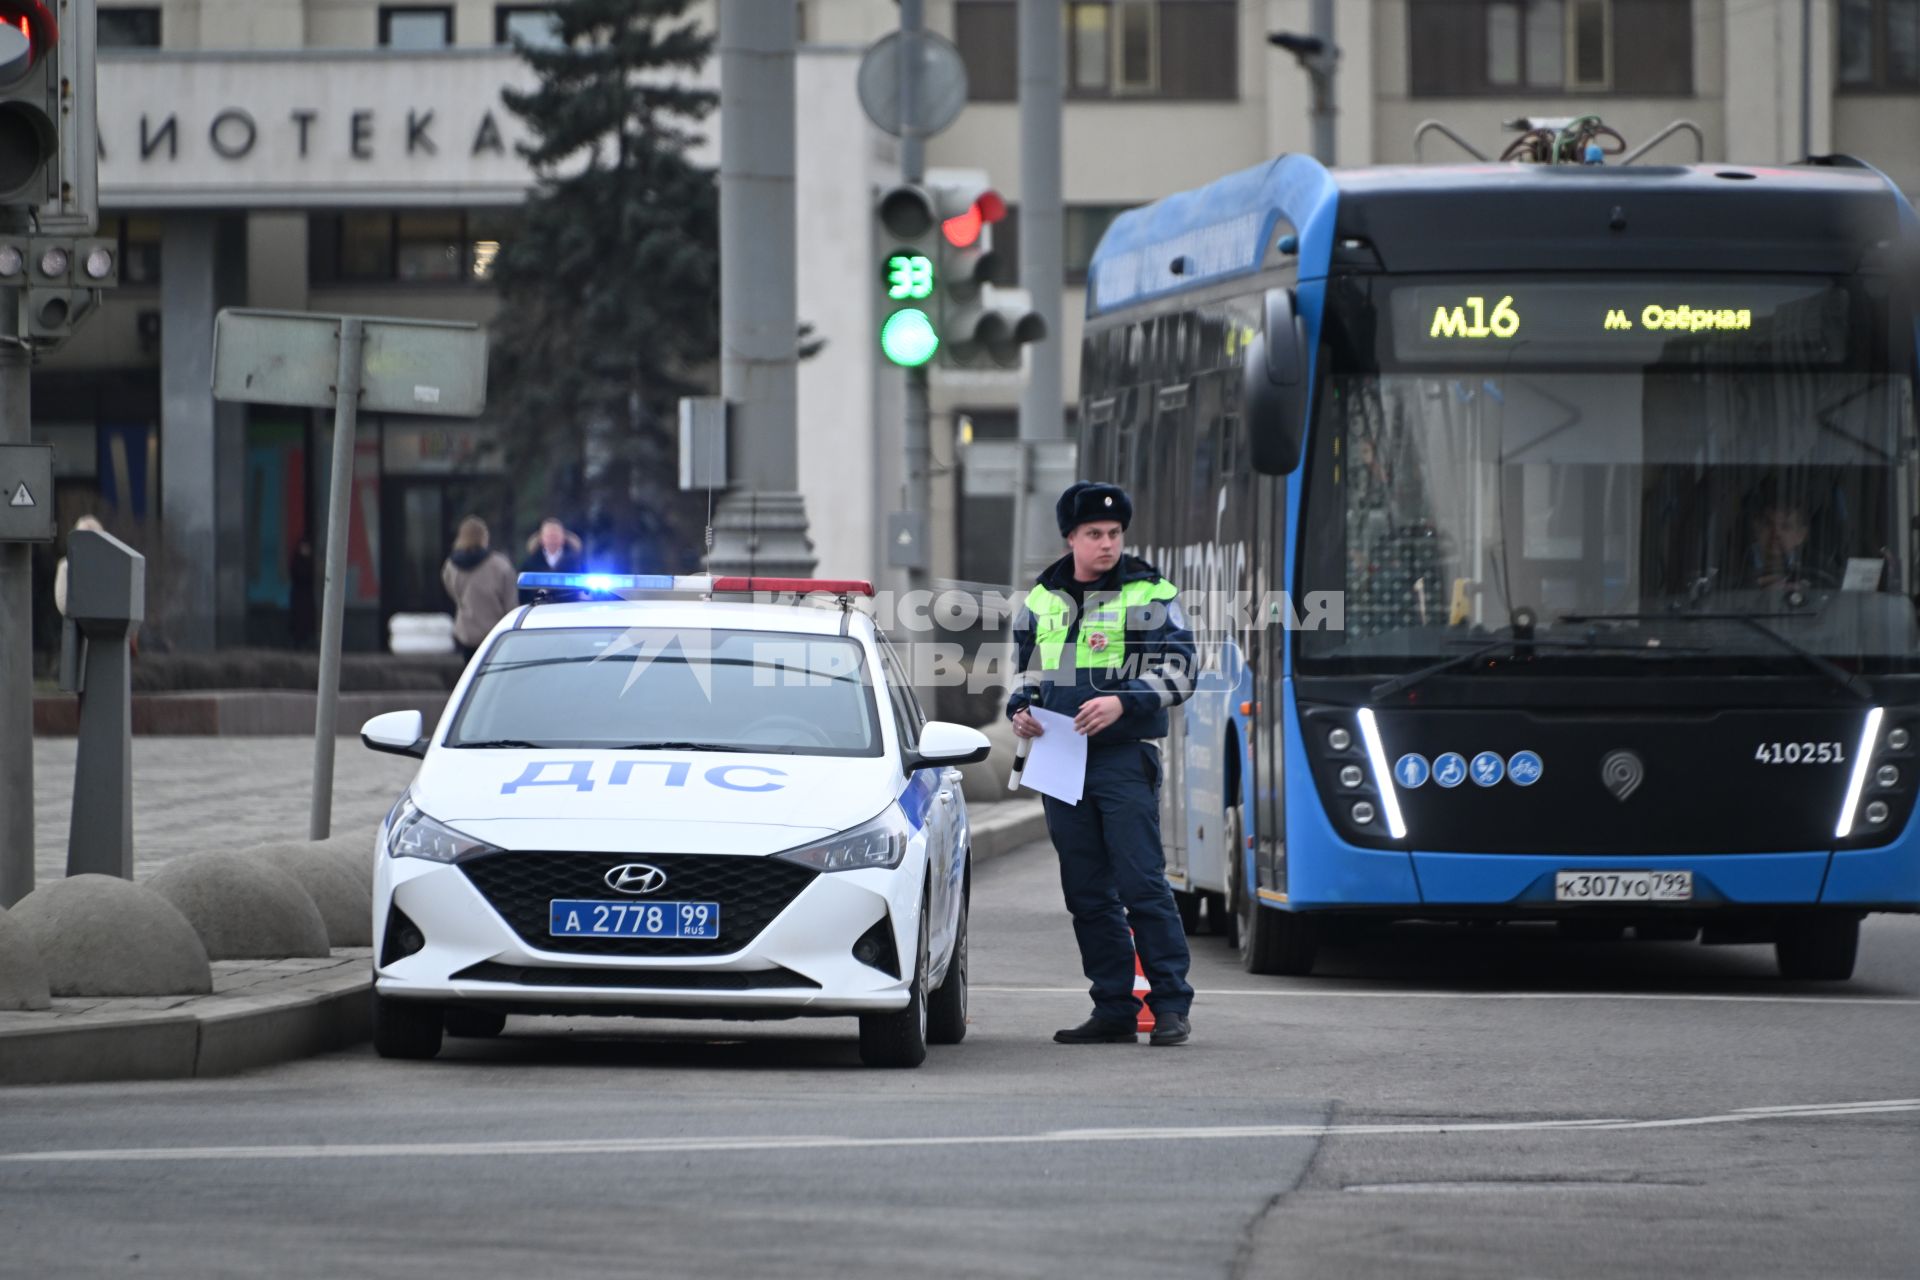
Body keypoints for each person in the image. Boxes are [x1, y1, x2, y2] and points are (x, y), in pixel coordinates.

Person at [1008, 481, 1198, 1047]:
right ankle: (1114, 1006)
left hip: (1121, 759)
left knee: (1142, 884)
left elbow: (1184, 671)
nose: (1107, 544)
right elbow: (1026, 674)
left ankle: (1168, 1006)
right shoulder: (1042, 599)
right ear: (1070, 538)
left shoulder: (1150, 593)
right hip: (1058, 759)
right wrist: (1021, 710)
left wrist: (1123, 700)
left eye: (1114, 534)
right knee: (1086, 893)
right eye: (1094, 534)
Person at [442, 516, 520, 662]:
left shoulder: (451, 566)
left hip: (467, 632)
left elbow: (451, 591)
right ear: (485, 537)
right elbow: (510, 602)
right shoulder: (499, 565)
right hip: (495, 632)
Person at [1742, 495, 1836, 590]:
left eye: (1785, 526)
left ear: (1801, 535)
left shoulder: (1819, 566)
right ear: (1757, 527)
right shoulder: (1734, 562)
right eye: (1768, 524)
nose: (1776, 533)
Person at [518, 516, 584, 604]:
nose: (552, 540)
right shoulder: (530, 563)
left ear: (563, 537)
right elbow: (523, 595)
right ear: (541, 538)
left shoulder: (576, 562)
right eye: (549, 536)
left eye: (555, 536)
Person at [288, 535, 317, 649]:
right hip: (299, 595)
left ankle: (306, 640)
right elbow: (295, 574)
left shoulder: (310, 561)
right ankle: (297, 641)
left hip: (306, 595)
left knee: (306, 619)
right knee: (298, 620)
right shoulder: (297, 560)